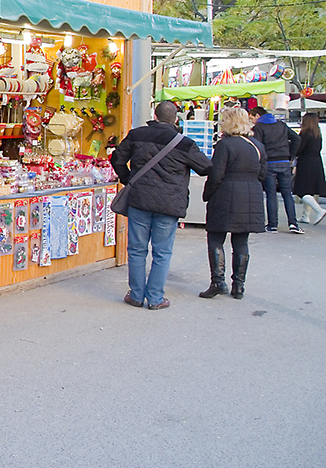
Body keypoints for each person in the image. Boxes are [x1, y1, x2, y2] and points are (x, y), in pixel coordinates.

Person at [110, 100, 212, 310]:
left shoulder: (137, 134)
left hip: (140, 200)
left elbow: (117, 158)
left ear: (154, 116)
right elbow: (205, 167)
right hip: (169, 203)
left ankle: (136, 295)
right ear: (175, 119)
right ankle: (155, 298)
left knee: (137, 249)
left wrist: (128, 178)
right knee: (162, 252)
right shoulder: (184, 142)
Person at [199, 106, 267, 300]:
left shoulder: (225, 145)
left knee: (215, 238)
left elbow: (216, 174)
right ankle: (239, 285)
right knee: (241, 241)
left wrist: (207, 194)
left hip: (225, 194)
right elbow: (263, 174)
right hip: (250, 196)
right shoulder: (257, 146)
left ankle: (218, 281)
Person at [248, 106, 302, 233]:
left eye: (252, 118)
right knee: (287, 194)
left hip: (269, 162)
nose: (252, 122)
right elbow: (297, 139)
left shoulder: (259, 127)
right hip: (284, 162)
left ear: (257, 116)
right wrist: (291, 155)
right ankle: (293, 223)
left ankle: (273, 225)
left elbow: (258, 145)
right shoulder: (281, 125)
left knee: (271, 194)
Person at [293, 112, 326, 225]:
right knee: (310, 190)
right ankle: (305, 216)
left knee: (302, 190)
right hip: (316, 161)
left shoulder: (305, 133)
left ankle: (319, 210)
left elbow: (299, 149)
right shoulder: (318, 134)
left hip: (306, 162)